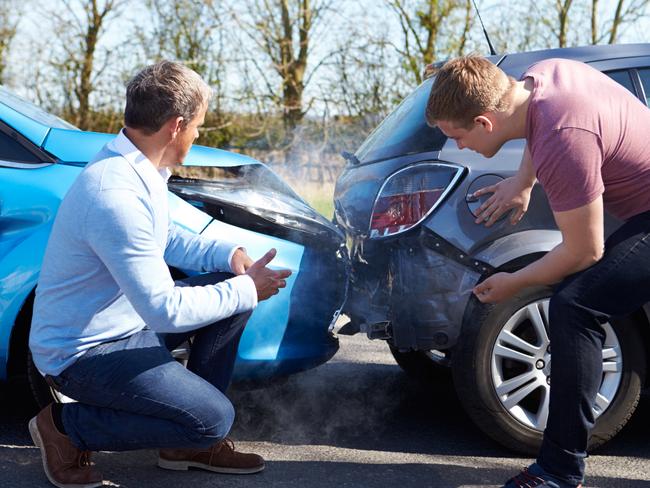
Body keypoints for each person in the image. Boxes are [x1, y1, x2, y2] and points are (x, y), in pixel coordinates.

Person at [28, 60, 291, 488]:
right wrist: (245, 289)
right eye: (199, 127)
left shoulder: (136, 167)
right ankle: (65, 427)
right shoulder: (114, 193)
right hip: (83, 353)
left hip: (126, 326)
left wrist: (230, 256)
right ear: (177, 125)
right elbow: (164, 310)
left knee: (230, 297)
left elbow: (164, 237)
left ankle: (186, 444)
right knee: (213, 418)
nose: (198, 135)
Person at [426, 55, 650, 488]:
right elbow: (539, 124)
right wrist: (524, 181)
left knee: (575, 306)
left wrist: (514, 282)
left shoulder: (564, 137)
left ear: (484, 122)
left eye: (457, 136)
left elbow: (585, 251)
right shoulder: (543, 76)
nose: (458, 147)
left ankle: (559, 472)